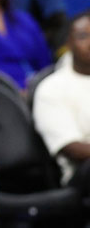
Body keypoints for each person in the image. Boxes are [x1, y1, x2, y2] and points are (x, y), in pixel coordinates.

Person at [32, 10, 90, 186]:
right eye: (83, 36)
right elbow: (70, 147)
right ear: (69, 44)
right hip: (82, 175)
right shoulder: (52, 88)